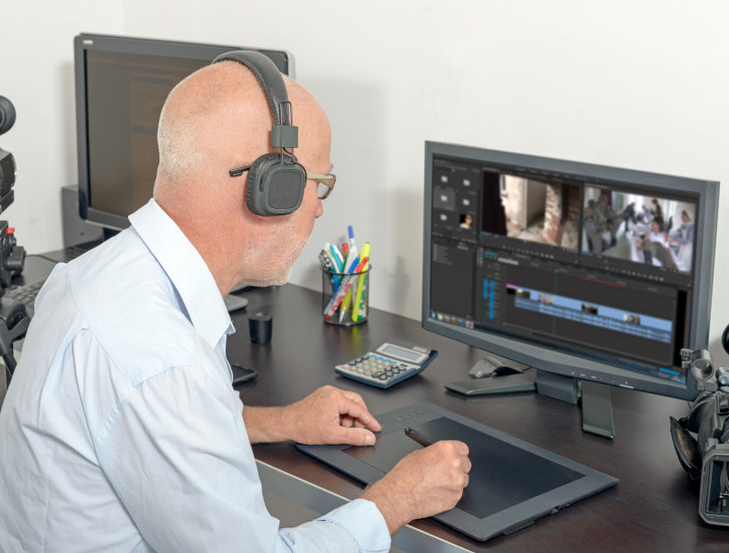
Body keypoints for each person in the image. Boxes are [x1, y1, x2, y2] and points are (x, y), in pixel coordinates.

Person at [0, 55, 470, 552]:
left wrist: (281, 422)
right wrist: (396, 499)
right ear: (273, 189)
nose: (319, 207)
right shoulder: (162, 361)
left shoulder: (88, 275)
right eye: (319, 185)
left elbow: (145, 428)